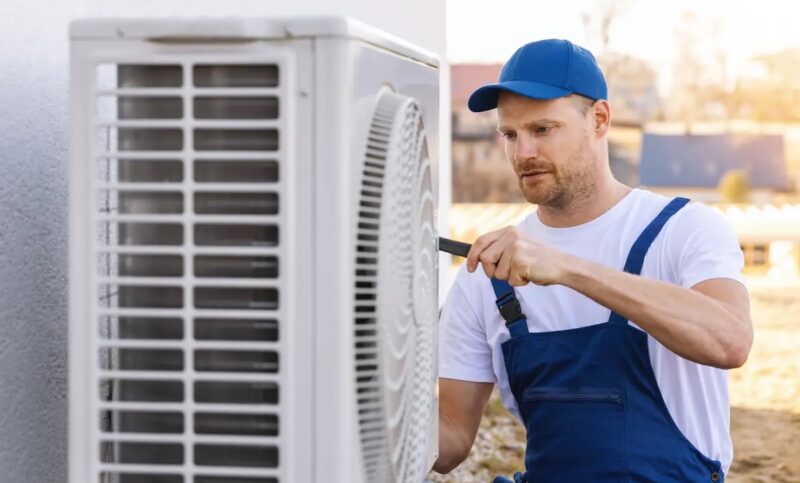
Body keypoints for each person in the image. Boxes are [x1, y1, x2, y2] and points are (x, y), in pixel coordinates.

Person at [434, 39, 753, 482]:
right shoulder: (486, 274)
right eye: (511, 134)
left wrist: (568, 268)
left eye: (543, 130)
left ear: (599, 119)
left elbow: (730, 340)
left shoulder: (681, 229)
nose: (522, 153)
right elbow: (450, 438)